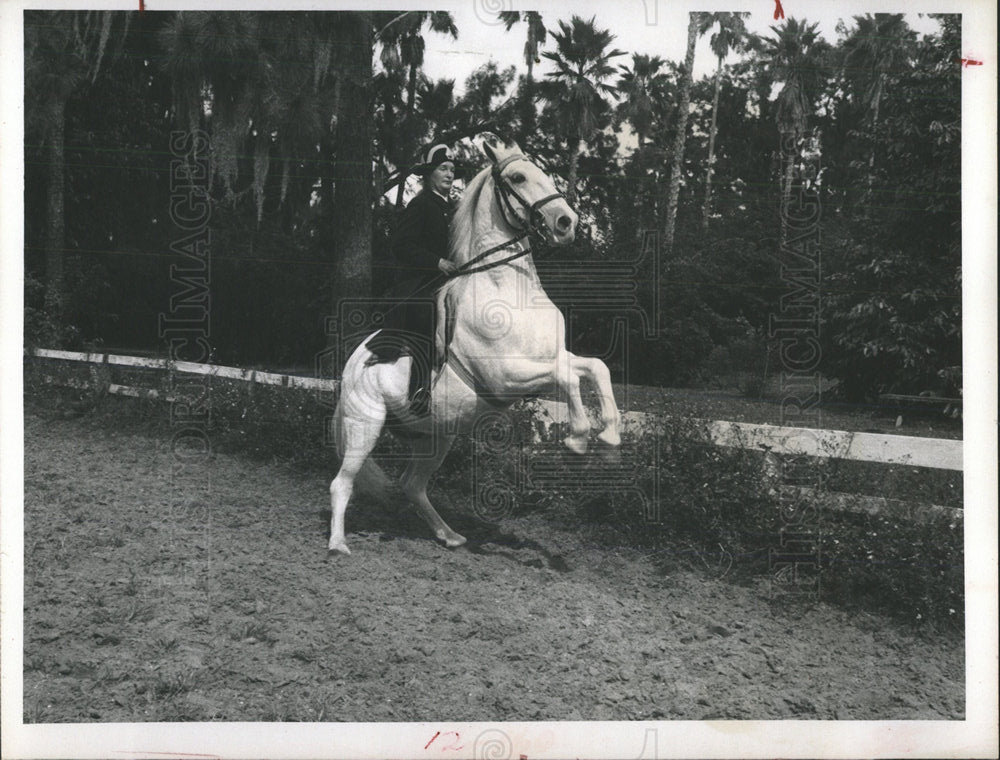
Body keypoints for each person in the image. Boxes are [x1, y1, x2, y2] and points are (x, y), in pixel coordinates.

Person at [368, 143, 459, 416]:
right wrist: (437, 262)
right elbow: (401, 245)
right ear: (429, 174)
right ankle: (419, 391)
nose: (449, 174)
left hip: (445, 281)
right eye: (443, 168)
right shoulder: (420, 205)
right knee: (425, 314)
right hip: (417, 282)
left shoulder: (451, 209)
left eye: (452, 169)